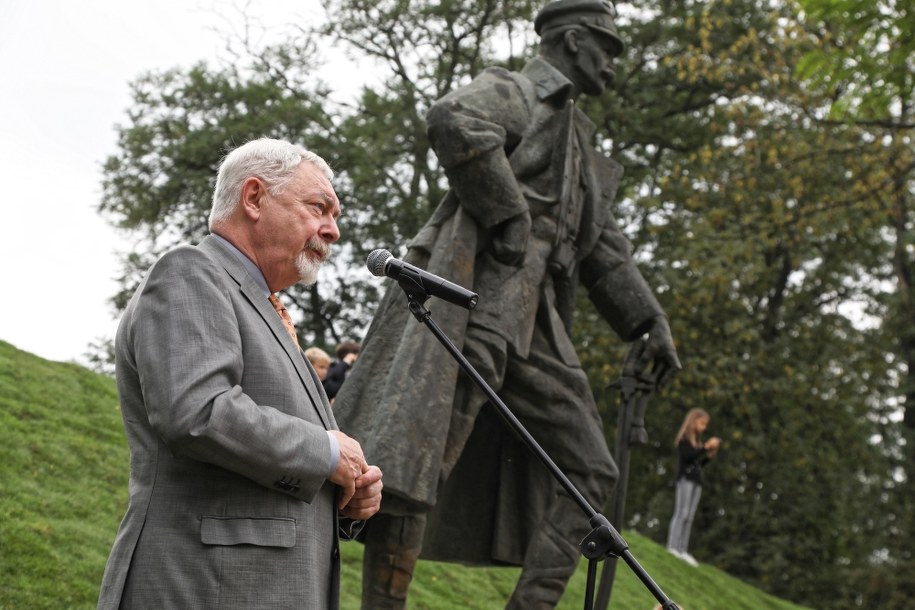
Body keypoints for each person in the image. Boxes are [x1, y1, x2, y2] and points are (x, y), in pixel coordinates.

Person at [334, 1, 681, 607]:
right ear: (573, 40)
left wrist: (648, 319)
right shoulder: (518, 91)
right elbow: (454, 118)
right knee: (421, 463)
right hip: (477, 302)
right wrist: (510, 214)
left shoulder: (581, 137)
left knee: (592, 469)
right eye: (607, 48)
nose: (613, 66)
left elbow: (601, 247)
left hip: (538, 321)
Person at [96, 138, 383, 609]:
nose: (332, 231)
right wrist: (327, 452)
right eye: (319, 208)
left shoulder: (269, 311)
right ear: (254, 198)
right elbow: (198, 411)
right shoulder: (191, 272)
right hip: (203, 588)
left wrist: (346, 493)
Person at [665, 408, 720, 567]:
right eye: (702, 423)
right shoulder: (684, 441)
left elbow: (698, 463)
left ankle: (682, 549)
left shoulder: (697, 441)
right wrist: (704, 448)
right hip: (685, 480)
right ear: (693, 421)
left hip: (696, 481)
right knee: (681, 513)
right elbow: (688, 458)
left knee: (689, 516)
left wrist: (708, 456)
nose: (704, 427)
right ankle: (672, 546)